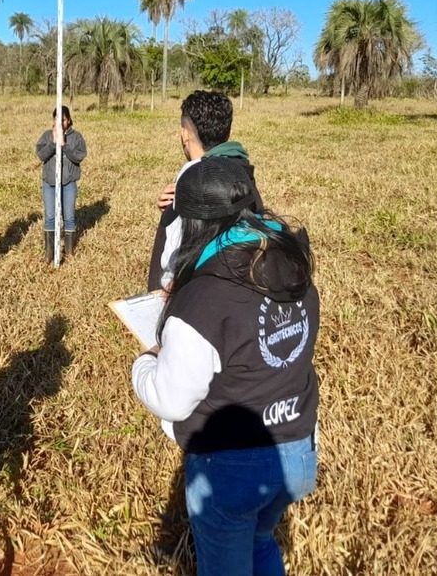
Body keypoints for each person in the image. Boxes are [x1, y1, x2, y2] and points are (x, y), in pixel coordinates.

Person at [132, 157, 319, 576]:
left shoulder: (205, 296)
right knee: (261, 542)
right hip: (298, 451)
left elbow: (172, 399)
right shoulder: (293, 261)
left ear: (195, 224)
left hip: (233, 467)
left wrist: (144, 363)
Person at [147, 90, 262, 292]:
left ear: (184, 134)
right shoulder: (242, 172)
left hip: (188, 298)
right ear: (228, 132)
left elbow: (172, 256)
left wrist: (171, 214)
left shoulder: (191, 178)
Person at [35, 105, 87, 262]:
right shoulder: (46, 136)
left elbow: (79, 156)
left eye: (63, 120)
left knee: (69, 217)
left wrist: (64, 145)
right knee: (50, 216)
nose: (59, 122)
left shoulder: (76, 137)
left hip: (68, 183)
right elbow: (41, 155)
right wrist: (53, 142)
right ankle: (49, 254)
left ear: (69, 120)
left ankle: (69, 253)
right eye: (56, 119)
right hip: (49, 183)